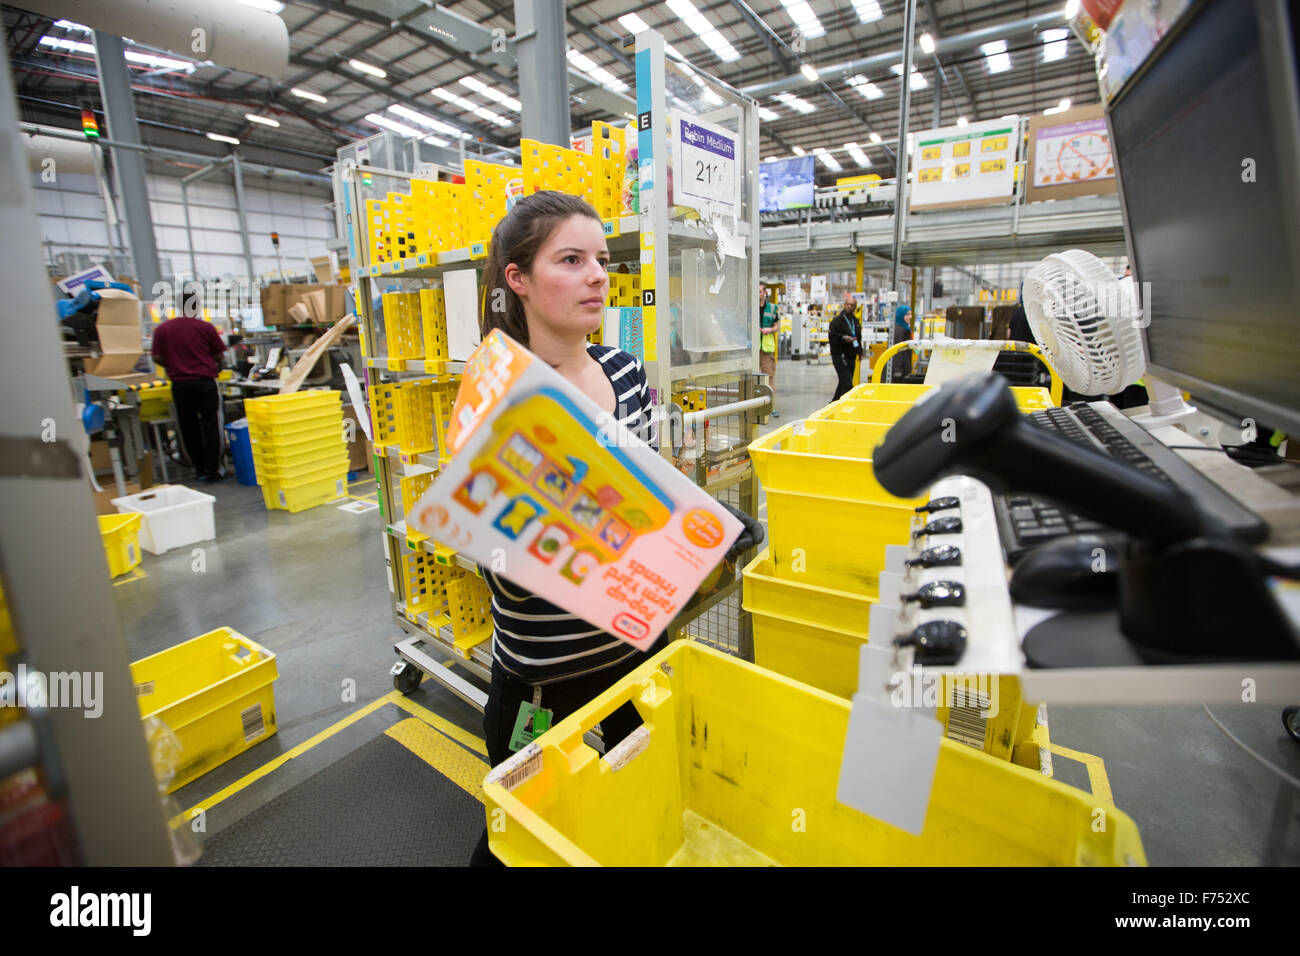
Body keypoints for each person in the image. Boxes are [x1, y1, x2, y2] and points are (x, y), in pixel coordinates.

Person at [468, 192, 762, 866]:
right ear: (517, 278)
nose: (599, 274)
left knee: (639, 818)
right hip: (543, 681)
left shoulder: (626, 373)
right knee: (523, 840)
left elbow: (653, 492)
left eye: (601, 259)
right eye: (571, 260)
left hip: (636, 657)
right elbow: (501, 566)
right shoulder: (499, 396)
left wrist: (710, 528)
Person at [151, 283, 227, 482]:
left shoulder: (163, 329)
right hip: (205, 382)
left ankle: (199, 469)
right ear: (196, 306)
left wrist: (175, 362)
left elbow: (157, 357)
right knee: (211, 425)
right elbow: (219, 355)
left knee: (188, 426)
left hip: (180, 385)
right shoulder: (205, 327)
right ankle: (213, 470)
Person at [827, 291, 862, 401]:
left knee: (844, 382)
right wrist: (843, 338)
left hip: (851, 356)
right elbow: (832, 337)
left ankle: (833, 403)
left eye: (852, 305)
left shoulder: (855, 321)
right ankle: (850, 401)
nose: (849, 307)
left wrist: (859, 352)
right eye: (847, 304)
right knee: (847, 382)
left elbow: (858, 338)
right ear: (844, 305)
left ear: (855, 307)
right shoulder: (836, 321)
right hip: (839, 356)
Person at [758, 285, 779, 417]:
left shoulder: (772, 308)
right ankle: (753, 405)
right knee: (751, 378)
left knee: (769, 377)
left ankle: (771, 406)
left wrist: (770, 330)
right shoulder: (749, 307)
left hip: (766, 347)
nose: (758, 294)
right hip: (752, 347)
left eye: (759, 291)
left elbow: (776, 326)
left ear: (765, 292)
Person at [890, 304, 914, 382]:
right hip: (899, 370)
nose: (910, 317)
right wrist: (898, 370)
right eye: (907, 314)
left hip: (904, 366)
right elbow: (897, 351)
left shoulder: (905, 328)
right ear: (900, 316)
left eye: (910, 314)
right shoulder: (899, 330)